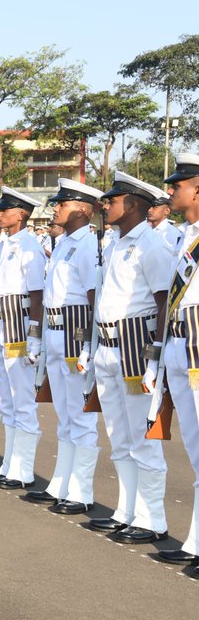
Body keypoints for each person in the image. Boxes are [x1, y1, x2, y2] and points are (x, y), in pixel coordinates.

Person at [80, 172, 172, 542]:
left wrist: (156, 358)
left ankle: (152, 519)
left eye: (112, 200)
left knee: (142, 436)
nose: (105, 206)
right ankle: (126, 510)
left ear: (133, 205)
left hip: (135, 345)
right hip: (107, 345)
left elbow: (165, 301)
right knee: (119, 434)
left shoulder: (151, 245)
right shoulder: (114, 243)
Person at [23, 180, 103, 514]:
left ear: (83, 209)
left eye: (62, 203)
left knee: (80, 417)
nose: (55, 207)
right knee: (65, 416)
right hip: (56, 331)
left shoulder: (88, 245)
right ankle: (61, 484)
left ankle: (81, 492)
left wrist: (88, 344)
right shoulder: (64, 243)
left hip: (74, 329)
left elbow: (92, 297)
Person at [0, 187, 46, 489]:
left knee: (22, 399)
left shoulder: (29, 245)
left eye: (6, 209)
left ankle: (23, 469)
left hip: (19, 326)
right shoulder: (6, 243)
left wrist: (34, 336)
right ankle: (10, 463)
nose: (0, 213)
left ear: (21, 214)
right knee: (5, 399)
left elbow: (36, 294)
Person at [161, 152, 199, 565]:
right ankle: (195, 542)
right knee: (194, 447)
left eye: (178, 185)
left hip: (198, 343)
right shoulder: (183, 235)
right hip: (179, 344)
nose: (171, 191)